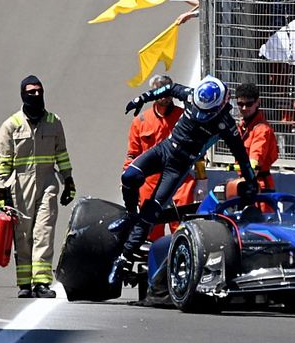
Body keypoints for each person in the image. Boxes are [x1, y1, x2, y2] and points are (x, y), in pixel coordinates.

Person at [109, 75, 259, 285]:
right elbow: (168, 88)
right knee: (129, 176)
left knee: (151, 212)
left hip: (177, 167)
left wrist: (251, 182)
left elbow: (242, 157)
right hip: (164, 149)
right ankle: (129, 214)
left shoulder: (226, 124)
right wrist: (142, 98)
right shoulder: (190, 95)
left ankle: (123, 260)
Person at [0, 75, 76, 299]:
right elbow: (4, 161)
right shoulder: (10, 126)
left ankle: (41, 282)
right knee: (22, 236)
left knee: (44, 232)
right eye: (31, 92)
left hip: (48, 184)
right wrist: (2, 191)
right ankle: (24, 283)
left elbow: (61, 153)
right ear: (23, 94)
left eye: (39, 91)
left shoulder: (54, 121)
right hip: (19, 187)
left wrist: (68, 180)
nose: (36, 95)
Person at [125, 74, 196, 240]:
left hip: (180, 180)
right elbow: (132, 155)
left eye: (167, 92)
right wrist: (128, 185)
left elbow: (197, 150)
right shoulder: (141, 121)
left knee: (182, 227)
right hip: (149, 182)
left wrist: (201, 179)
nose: (164, 97)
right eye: (159, 92)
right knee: (149, 230)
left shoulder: (184, 116)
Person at [234, 82, 279, 192]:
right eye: (240, 104)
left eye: (249, 104)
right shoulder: (242, 126)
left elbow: (255, 162)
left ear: (257, 103)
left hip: (259, 186)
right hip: (245, 182)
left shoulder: (261, 129)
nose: (244, 108)